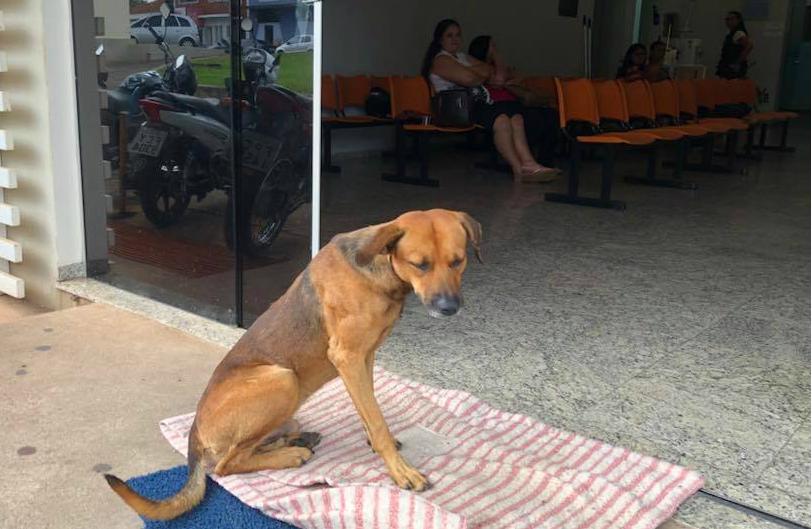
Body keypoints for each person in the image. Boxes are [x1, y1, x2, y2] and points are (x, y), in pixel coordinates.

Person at [421, 19, 559, 183]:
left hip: (476, 103)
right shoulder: (440, 60)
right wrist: (476, 73)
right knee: (501, 118)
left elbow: (491, 72)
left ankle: (529, 164)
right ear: (440, 39)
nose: (455, 39)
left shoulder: (461, 57)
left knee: (515, 116)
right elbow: (469, 79)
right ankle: (518, 169)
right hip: (457, 108)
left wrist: (475, 72)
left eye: (458, 35)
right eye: (449, 35)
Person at [467, 34, 559, 170]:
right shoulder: (481, 69)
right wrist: (497, 56)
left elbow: (511, 80)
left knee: (551, 116)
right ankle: (526, 163)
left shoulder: (501, 70)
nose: (496, 49)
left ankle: (544, 163)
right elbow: (500, 79)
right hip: (496, 107)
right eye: (493, 46)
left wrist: (508, 83)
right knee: (524, 117)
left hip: (514, 103)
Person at [716, 11, 753, 79]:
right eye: (727, 19)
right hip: (727, 65)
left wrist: (737, 62)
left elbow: (749, 45)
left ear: (738, 20)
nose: (729, 21)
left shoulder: (738, 33)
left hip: (732, 68)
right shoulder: (730, 33)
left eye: (732, 19)